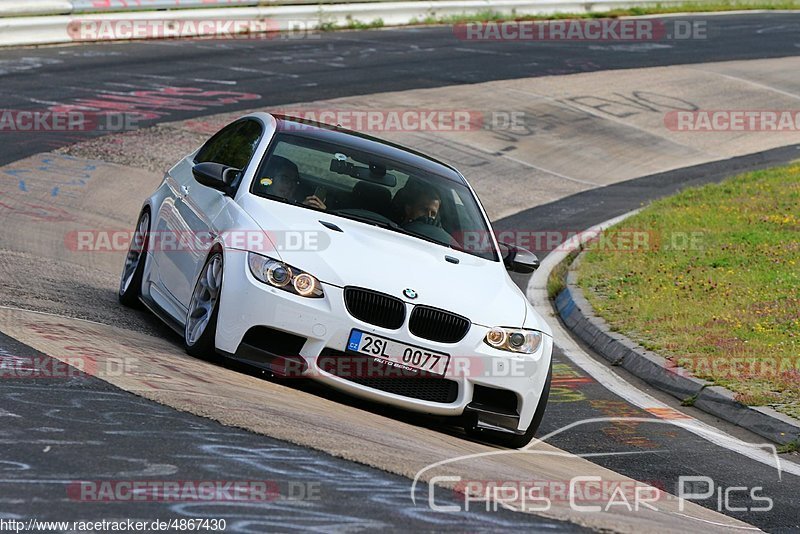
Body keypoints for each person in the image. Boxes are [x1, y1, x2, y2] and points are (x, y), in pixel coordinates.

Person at [256, 155, 326, 210]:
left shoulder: (294, 203)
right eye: (284, 179)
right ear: (271, 178)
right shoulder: (256, 200)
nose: (290, 185)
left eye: (294, 181)